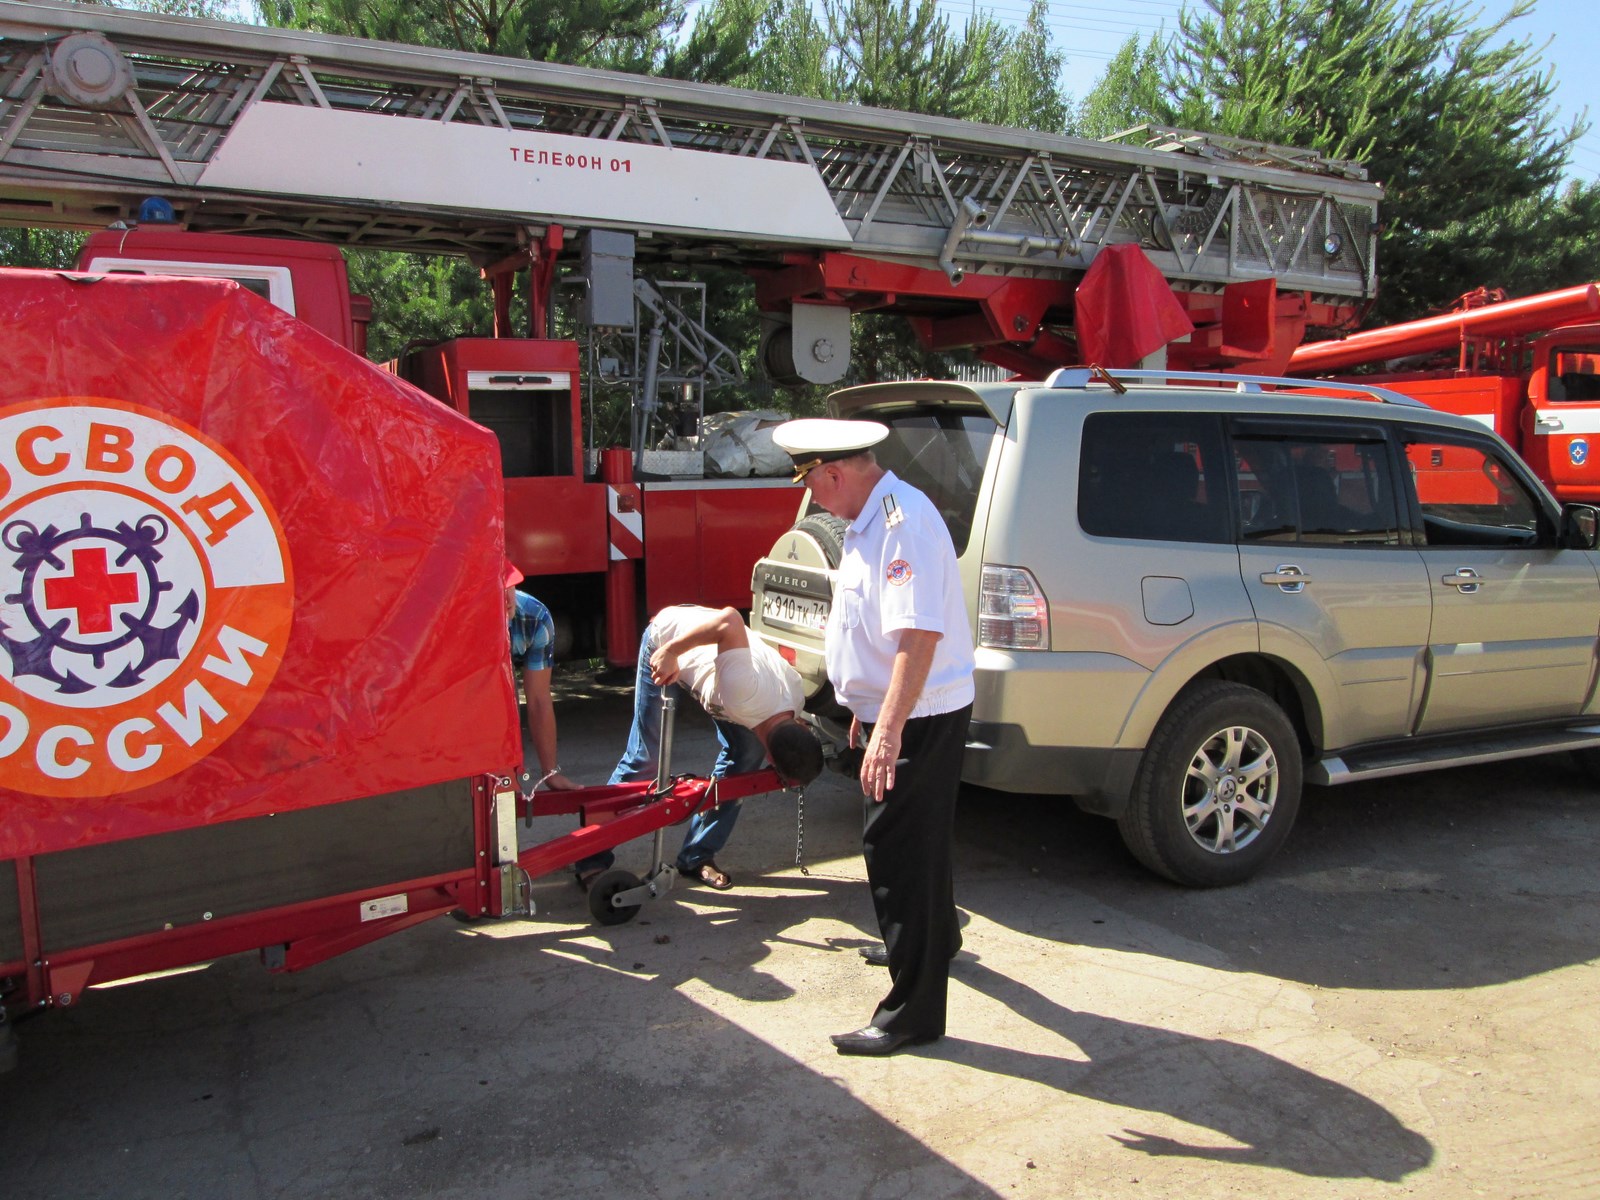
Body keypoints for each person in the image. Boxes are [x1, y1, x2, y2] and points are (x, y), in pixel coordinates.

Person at [773, 418, 975, 1058]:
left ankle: (911, 1014)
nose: (811, 499)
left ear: (835, 473)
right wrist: (866, 705)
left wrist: (888, 729)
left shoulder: (899, 525)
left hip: (919, 716)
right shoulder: (870, 521)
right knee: (918, 842)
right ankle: (931, 941)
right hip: (900, 708)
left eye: (811, 484)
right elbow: (876, 630)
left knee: (896, 851)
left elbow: (919, 635)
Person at [573, 604, 825, 891]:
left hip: (721, 678)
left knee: (745, 759)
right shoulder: (744, 693)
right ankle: (590, 858)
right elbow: (730, 620)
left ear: (803, 727)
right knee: (645, 760)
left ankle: (696, 856)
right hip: (667, 643)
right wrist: (671, 652)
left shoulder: (792, 701)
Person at [505, 561, 577, 793]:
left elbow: (538, 700)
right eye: (496, 589)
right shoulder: (460, 617)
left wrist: (550, 773)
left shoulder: (535, 616)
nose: (507, 599)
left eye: (509, 586)